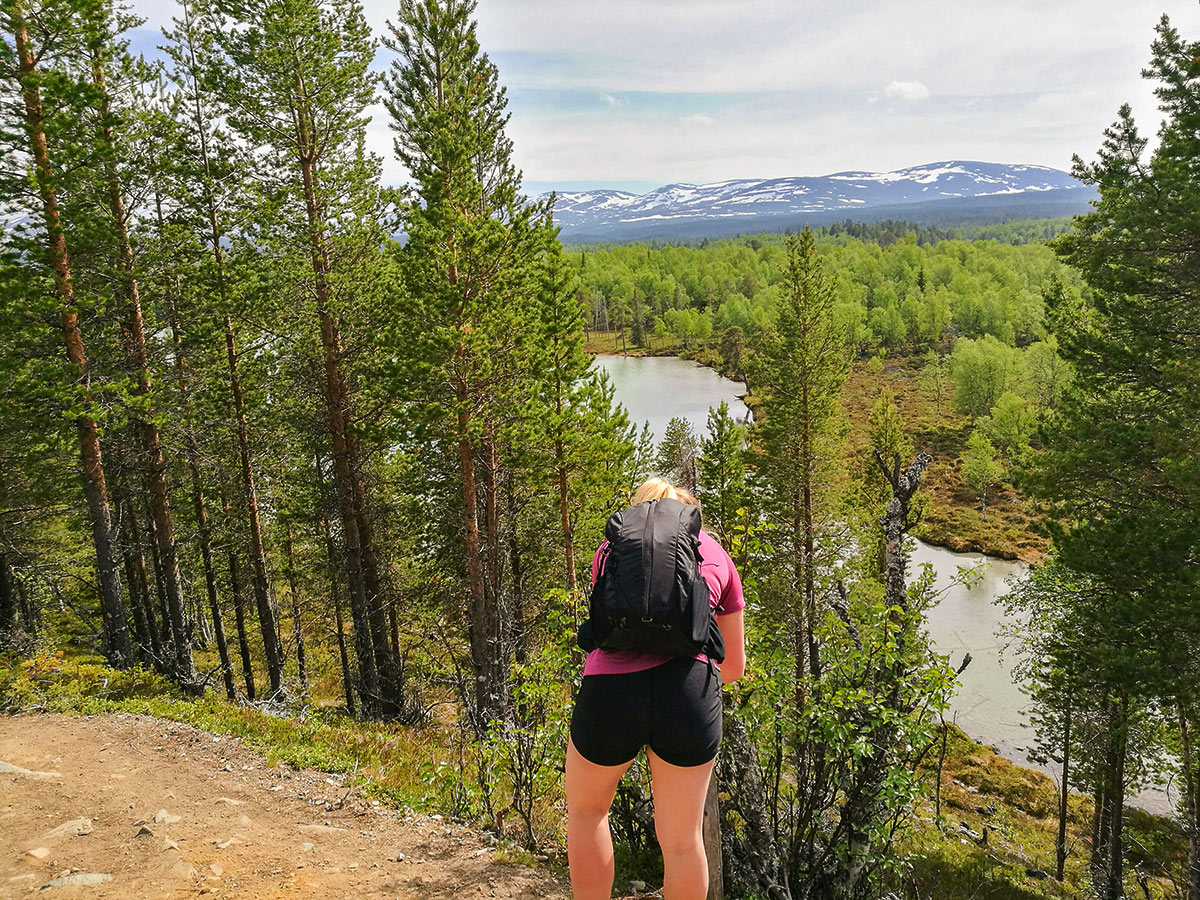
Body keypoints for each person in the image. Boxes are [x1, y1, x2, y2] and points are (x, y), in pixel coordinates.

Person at [566, 477, 746, 900]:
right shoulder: (717, 555)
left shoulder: (610, 551)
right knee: (683, 841)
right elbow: (734, 666)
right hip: (689, 694)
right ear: (688, 514)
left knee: (588, 814)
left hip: (611, 692)